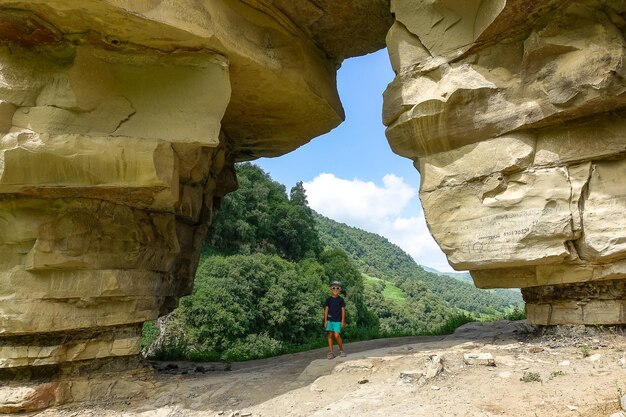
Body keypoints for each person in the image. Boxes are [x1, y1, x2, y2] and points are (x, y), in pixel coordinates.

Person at [323, 280, 346, 359]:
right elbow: (326, 310)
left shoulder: (341, 300)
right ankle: (331, 352)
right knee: (330, 335)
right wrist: (325, 320)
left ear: (340, 290)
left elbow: (343, 311)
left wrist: (342, 321)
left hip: (337, 320)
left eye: (337, 288)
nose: (335, 290)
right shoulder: (328, 300)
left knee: (336, 335)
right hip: (329, 319)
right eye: (333, 288)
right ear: (330, 289)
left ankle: (341, 350)